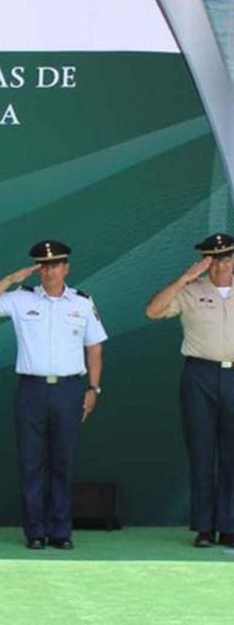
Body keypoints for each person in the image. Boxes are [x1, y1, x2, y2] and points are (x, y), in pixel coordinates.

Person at [0, 240, 106, 550]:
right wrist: (10, 279)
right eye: (43, 266)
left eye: (55, 265)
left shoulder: (82, 302)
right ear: (37, 269)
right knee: (31, 463)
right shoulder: (21, 299)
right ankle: (35, 531)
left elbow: (95, 347)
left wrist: (94, 388)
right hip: (31, 390)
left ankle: (60, 531)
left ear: (66, 268)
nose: (49, 271)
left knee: (63, 462)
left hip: (69, 389)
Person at [145, 232, 234, 547]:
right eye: (213, 259)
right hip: (200, 375)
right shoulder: (191, 291)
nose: (220, 265)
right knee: (201, 451)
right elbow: (153, 311)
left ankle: (229, 525)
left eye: (225, 257)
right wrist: (185, 277)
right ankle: (204, 527)